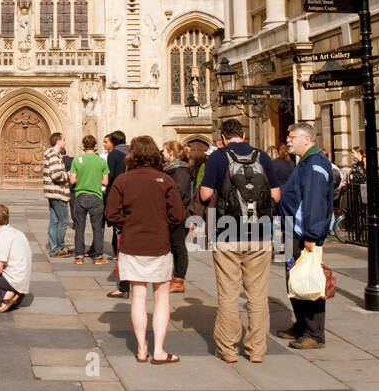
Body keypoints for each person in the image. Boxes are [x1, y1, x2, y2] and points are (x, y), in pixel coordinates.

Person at [198, 118, 280, 363]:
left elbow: (205, 194)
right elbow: (276, 195)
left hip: (227, 232)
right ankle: (256, 350)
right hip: (260, 233)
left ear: (223, 137)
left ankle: (228, 349)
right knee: (257, 295)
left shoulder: (217, 158)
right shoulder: (262, 157)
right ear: (243, 135)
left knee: (228, 293)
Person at [104, 135, 186, 364]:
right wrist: (162, 224)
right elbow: (178, 215)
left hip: (132, 245)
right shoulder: (164, 180)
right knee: (161, 298)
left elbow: (110, 214)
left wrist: (127, 224)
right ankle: (159, 350)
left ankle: (142, 349)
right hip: (159, 245)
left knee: (138, 297)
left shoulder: (123, 180)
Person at [278, 121, 334, 350]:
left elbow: (315, 203)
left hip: (304, 234)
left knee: (309, 280)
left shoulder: (314, 166)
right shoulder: (305, 163)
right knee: (295, 279)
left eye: (292, 137)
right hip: (294, 231)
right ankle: (301, 324)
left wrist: (311, 234)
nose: (288, 140)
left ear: (306, 140)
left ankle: (314, 333)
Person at [70, 134, 109, 263]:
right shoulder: (101, 161)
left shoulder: (77, 160)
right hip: (96, 197)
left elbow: (72, 180)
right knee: (97, 228)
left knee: (79, 227)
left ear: (83, 146)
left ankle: (79, 257)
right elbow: (105, 182)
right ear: (95, 146)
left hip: (80, 196)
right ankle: (98, 257)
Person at [162, 141, 195, 293]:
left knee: (179, 246)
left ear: (171, 153)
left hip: (179, 213)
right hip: (174, 212)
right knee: (175, 246)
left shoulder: (180, 169)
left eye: (164, 151)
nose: (162, 154)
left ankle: (179, 280)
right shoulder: (172, 168)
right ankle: (174, 277)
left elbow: (179, 193)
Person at [104, 130, 131, 298]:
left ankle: (123, 282)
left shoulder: (113, 154)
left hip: (119, 196)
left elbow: (111, 176)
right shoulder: (130, 153)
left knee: (119, 232)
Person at [42, 132, 72, 258]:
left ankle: (54, 247)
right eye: (63, 139)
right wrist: (68, 175)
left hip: (52, 192)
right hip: (57, 192)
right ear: (58, 141)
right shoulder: (54, 155)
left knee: (54, 220)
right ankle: (59, 247)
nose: (65, 142)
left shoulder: (51, 154)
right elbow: (55, 174)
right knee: (63, 220)